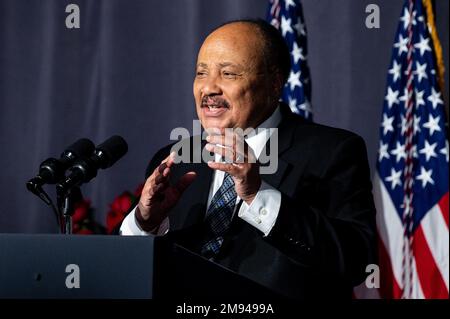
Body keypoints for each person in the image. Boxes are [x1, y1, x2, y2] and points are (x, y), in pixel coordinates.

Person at [120, 19, 377, 299]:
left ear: (274, 83)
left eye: (228, 74)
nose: (208, 89)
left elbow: (354, 261)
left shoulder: (333, 151)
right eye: (201, 73)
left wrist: (258, 194)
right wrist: (144, 223)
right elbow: (124, 273)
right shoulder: (177, 158)